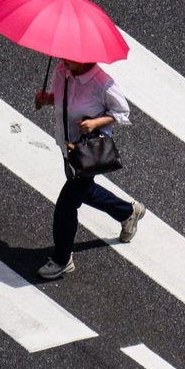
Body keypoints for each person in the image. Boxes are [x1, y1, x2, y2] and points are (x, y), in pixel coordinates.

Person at [35, 58, 145, 279]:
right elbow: (64, 100)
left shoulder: (102, 83)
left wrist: (96, 123)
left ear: (86, 60)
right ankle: (128, 211)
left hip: (89, 150)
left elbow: (122, 112)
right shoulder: (62, 71)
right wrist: (48, 100)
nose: (64, 60)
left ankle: (62, 259)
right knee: (85, 191)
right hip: (67, 145)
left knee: (66, 206)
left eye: (70, 58)